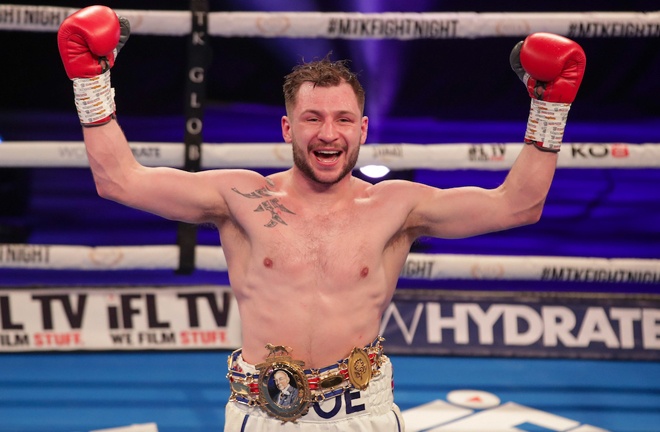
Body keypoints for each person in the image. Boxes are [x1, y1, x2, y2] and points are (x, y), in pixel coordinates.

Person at [57, 5, 586, 432]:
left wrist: (550, 110)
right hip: (261, 414)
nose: (327, 133)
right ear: (288, 128)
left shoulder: (396, 206)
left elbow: (517, 205)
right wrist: (90, 83)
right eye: (313, 118)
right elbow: (119, 181)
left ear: (363, 129)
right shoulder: (239, 196)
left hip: (364, 416)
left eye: (342, 119)